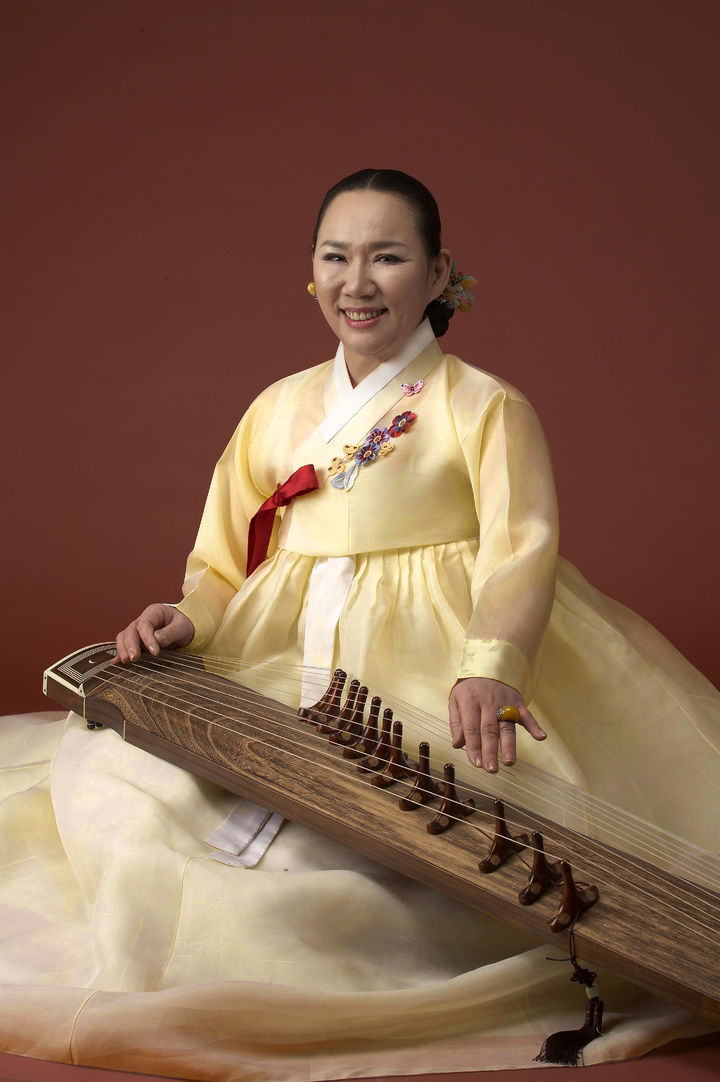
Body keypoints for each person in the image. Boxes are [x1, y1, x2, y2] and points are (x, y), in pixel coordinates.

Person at [2, 170, 718, 1080]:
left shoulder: (481, 404)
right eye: (336, 257)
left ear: (437, 272)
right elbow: (230, 557)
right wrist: (192, 614)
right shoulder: (276, 405)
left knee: (403, 872)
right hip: (279, 649)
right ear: (311, 272)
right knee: (128, 802)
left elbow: (519, 551)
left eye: (388, 256)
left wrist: (489, 663)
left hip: (427, 662)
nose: (359, 281)